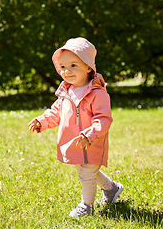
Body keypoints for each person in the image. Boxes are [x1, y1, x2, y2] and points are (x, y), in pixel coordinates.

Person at [28, 37, 123, 217]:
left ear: (88, 67)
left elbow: (104, 119)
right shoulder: (67, 92)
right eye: (63, 67)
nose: (67, 71)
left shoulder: (97, 94)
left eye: (73, 65)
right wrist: (42, 121)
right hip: (74, 143)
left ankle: (87, 206)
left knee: (87, 173)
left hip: (91, 142)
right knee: (86, 171)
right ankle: (111, 189)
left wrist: (89, 135)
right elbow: (56, 112)